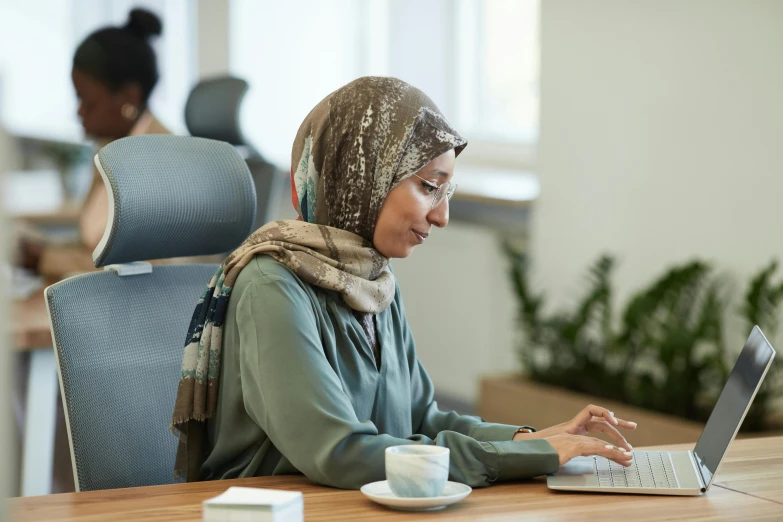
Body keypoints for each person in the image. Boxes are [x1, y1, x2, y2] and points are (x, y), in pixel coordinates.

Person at [171, 77, 637, 488]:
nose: (442, 215)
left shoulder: (373, 283)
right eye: (429, 187)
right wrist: (527, 458)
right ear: (362, 178)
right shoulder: (271, 286)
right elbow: (338, 452)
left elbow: (423, 419)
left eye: (447, 192)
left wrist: (535, 439)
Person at [72, 8, 169, 251]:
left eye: (87, 101)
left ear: (128, 98)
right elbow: (93, 248)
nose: (79, 112)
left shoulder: (163, 159)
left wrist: (46, 259)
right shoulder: (110, 151)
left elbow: (141, 268)